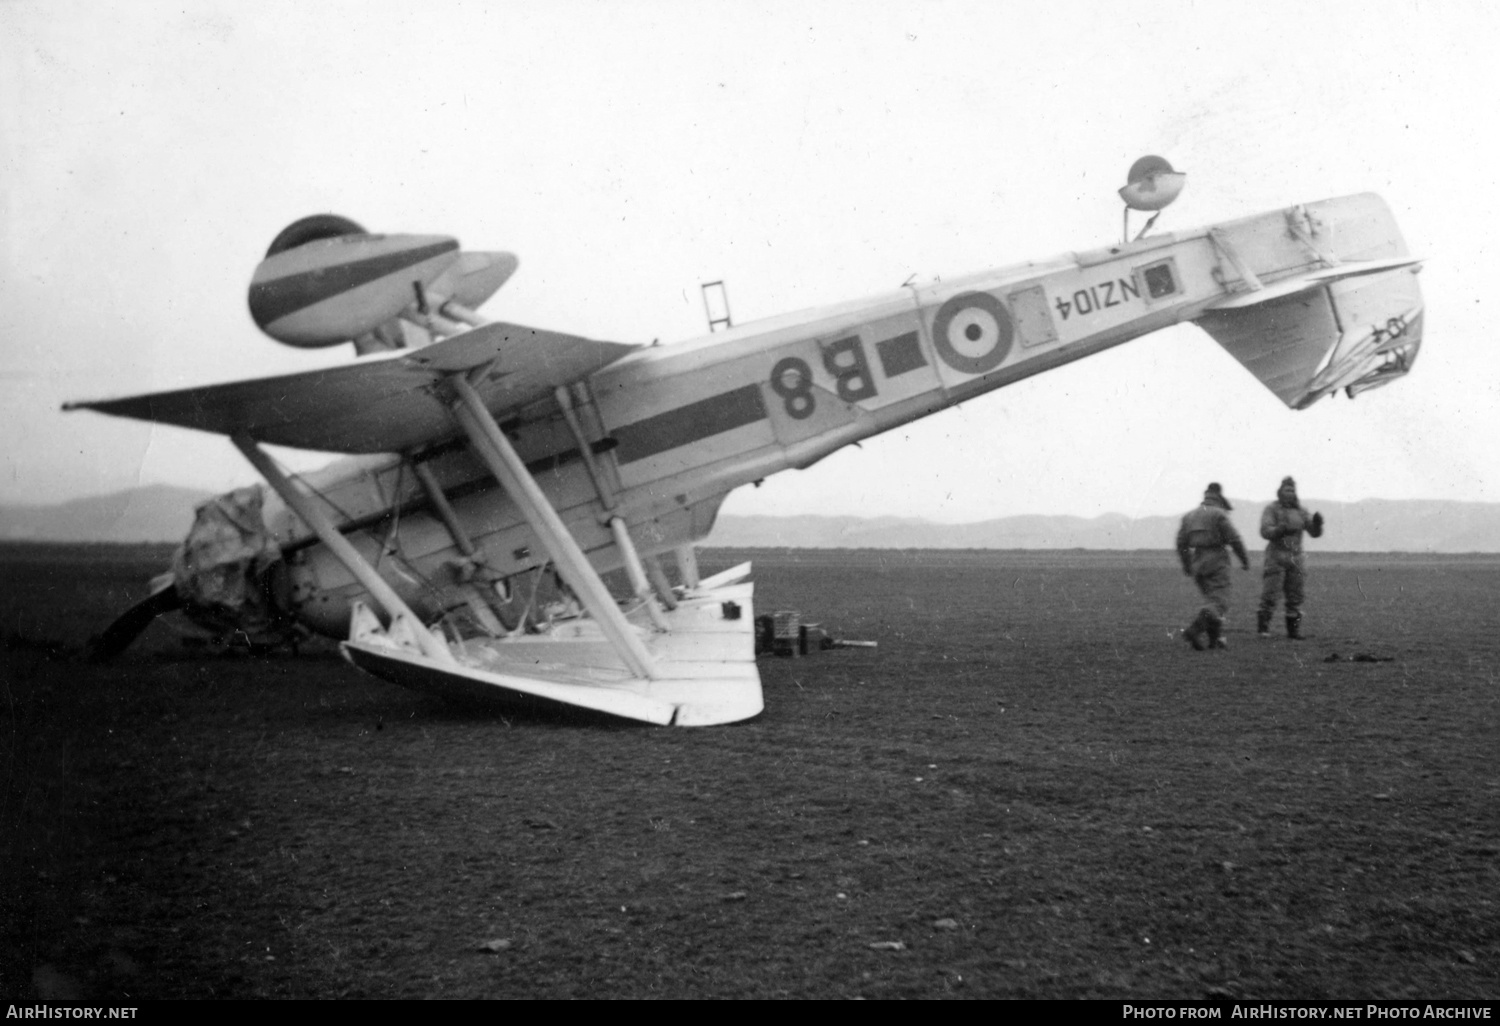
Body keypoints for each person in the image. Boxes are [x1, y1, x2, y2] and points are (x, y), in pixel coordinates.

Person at [1176, 482, 1251, 651]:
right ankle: (1194, 630)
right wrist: (1244, 560)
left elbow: (1181, 543)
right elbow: (1234, 539)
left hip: (1198, 562)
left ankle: (1214, 641)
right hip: (1217, 560)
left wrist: (1187, 565)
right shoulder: (1219, 514)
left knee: (1211, 601)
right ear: (1219, 495)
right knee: (1219, 603)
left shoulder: (1189, 516)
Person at [1257, 476, 1324, 639]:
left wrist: (1317, 525)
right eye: (1287, 490)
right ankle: (1263, 628)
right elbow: (1265, 530)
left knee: (1296, 596)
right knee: (1270, 594)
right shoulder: (1271, 509)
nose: (1290, 493)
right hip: (1276, 556)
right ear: (1280, 492)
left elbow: (1313, 532)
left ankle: (1293, 631)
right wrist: (1280, 530)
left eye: (1293, 490)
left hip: (1296, 557)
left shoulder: (1301, 511)